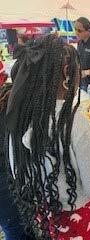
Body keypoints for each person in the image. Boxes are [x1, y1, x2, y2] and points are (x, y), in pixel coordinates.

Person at [6, 35, 90, 239]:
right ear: (66, 73)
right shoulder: (76, 123)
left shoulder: (18, 119)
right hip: (80, 223)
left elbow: (17, 169)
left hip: (46, 218)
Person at [0, 83, 34, 240]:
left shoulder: (9, 97)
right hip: (6, 184)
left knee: (14, 228)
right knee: (19, 230)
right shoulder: (23, 109)